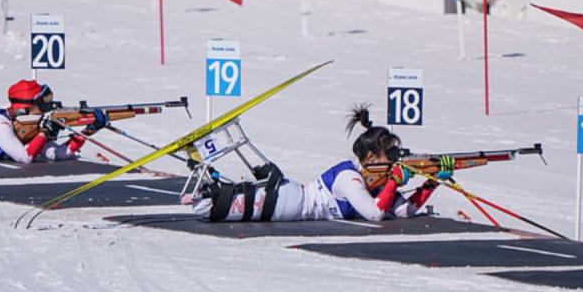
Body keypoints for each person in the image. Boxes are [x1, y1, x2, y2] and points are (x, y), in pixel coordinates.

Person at [186, 104, 455, 222]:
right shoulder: (350, 177)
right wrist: (394, 181)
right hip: (291, 203)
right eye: (391, 156)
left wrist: (432, 182)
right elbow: (375, 214)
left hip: (292, 205)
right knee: (214, 206)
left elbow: (402, 211)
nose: (395, 162)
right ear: (371, 158)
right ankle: (201, 166)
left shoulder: (376, 182)